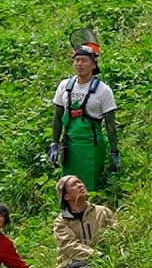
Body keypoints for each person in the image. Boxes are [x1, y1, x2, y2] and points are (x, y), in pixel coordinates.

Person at [48, 42, 120, 191]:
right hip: (69, 145)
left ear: (93, 65)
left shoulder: (103, 91)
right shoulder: (64, 86)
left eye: (84, 60)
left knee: (88, 188)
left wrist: (114, 151)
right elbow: (57, 118)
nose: (79, 64)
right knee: (68, 188)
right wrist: (54, 143)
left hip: (92, 147)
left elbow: (110, 124)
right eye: (77, 60)